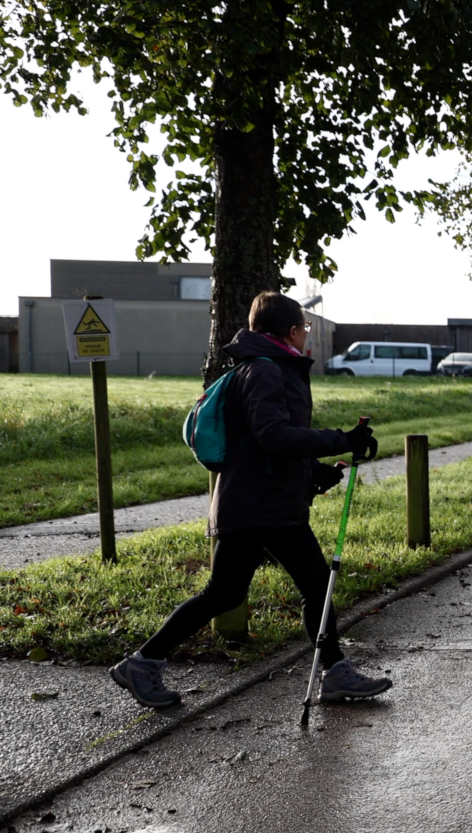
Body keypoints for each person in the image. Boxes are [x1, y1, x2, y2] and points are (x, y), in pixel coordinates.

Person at [109, 292, 390, 708]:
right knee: (315, 585)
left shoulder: (261, 367)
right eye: (304, 328)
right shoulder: (265, 370)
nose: (305, 335)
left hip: (259, 502)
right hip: (264, 508)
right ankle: (335, 673)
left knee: (225, 594)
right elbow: (272, 436)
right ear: (292, 331)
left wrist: (316, 473)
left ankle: (143, 662)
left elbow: (262, 446)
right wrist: (339, 440)